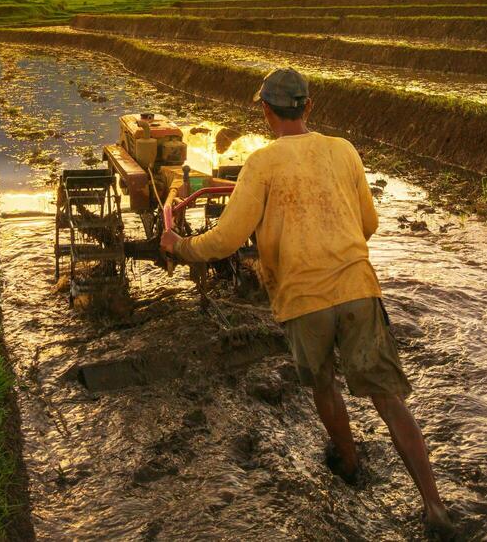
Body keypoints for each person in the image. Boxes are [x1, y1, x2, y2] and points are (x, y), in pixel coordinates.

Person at [162, 67, 457, 538]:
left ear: (264, 110)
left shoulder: (261, 163)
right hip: (358, 288)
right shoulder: (344, 150)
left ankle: (350, 461)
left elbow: (228, 239)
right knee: (388, 397)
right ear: (309, 107)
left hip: (303, 299)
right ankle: (435, 507)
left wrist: (180, 246)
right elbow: (368, 223)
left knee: (324, 383)